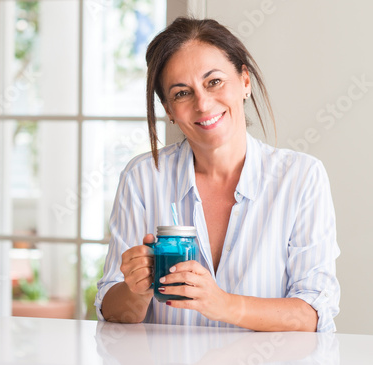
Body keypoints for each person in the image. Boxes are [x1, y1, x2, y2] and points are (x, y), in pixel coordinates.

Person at [95, 17, 340, 332]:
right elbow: (113, 311)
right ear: (169, 110)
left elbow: (312, 314)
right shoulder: (143, 177)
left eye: (214, 82)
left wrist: (223, 304)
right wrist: (135, 290)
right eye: (182, 93)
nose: (203, 103)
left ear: (245, 82)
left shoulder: (301, 177)